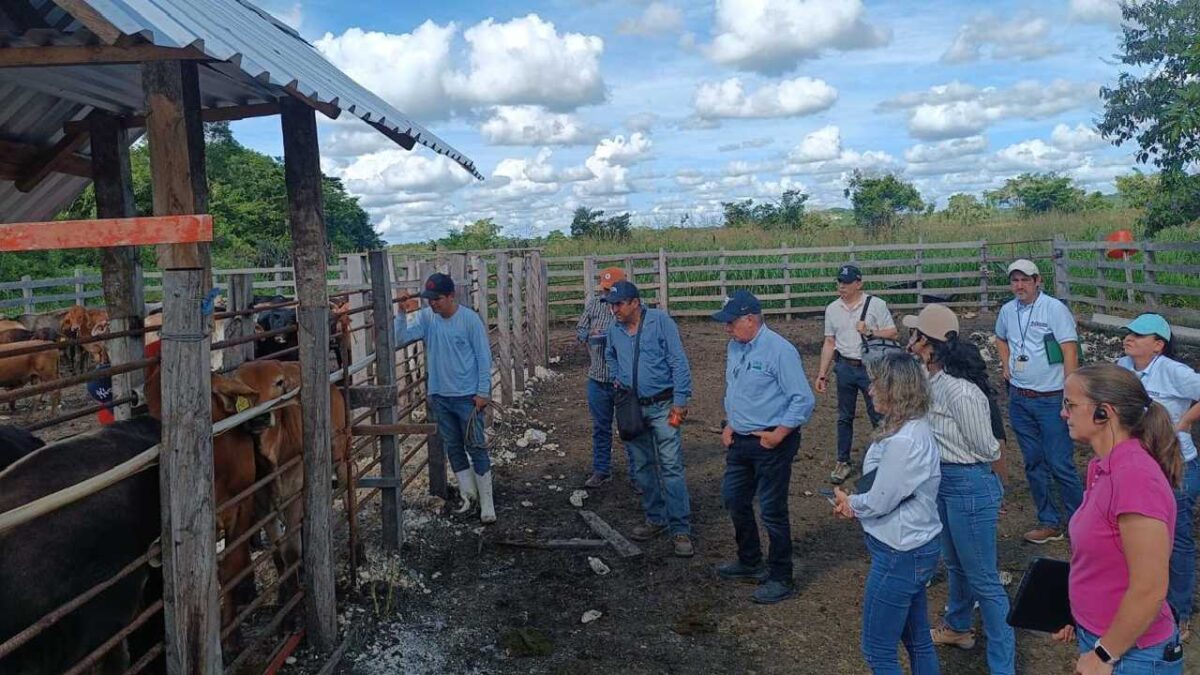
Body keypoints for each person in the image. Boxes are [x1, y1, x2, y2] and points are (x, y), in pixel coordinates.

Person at [904, 304, 1016, 673]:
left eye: (915, 334)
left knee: (984, 579)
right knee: (955, 562)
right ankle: (958, 626)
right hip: (947, 480)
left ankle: (1003, 665)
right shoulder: (929, 379)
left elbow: (987, 447)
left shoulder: (960, 392)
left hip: (967, 481)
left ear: (929, 344)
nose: (910, 339)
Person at [1052, 363, 1184, 674]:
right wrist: (1077, 614)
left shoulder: (1135, 479)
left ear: (1103, 413)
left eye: (1069, 405)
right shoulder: (1102, 468)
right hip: (1105, 639)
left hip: (1132, 655)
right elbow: (1103, 557)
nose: (1063, 414)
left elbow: (1150, 588)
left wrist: (1103, 654)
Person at [832, 351, 942, 675]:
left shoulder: (904, 441)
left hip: (899, 551)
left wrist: (851, 504)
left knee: (877, 650)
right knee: (917, 639)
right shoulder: (912, 427)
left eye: (877, 384)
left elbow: (882, 499)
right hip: (915, 546)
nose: (870, 389)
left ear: (896, 390)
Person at [712, 290, 815, 604]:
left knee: (772, 509)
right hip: (741, 440)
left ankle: (781, 575)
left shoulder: (780, 351)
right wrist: (731, 422)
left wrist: (780, 433)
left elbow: (803, 399)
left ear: (750, 319)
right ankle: (750, 559)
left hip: (771, 441)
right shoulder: (735, 347)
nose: (727, 328)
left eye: (731, 322)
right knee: (734, 499)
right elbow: (738, 388)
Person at [1116, 313, 1200, 640]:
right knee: (1138, 536)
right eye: (1129, 333)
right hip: (1138, 464)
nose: (1129, 338)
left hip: (1174, 464)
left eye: (1139, 335)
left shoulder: (1173, 371)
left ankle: (1179, 611)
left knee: (1176, 540)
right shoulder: (1122, 366)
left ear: (1158, 344)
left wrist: (1185, 421)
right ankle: (1142, 602)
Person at [603, 280, 696, 557]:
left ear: (635, 303)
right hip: (631, 406)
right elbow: (609, 356)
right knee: (642, 465)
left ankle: (680, 527)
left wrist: (680, 401)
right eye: (612, 305)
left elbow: (678, 361)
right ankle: (655, 518)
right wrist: (619, 378)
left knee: (670, 465)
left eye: (619, 304)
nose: (614, 310)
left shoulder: (660, 322)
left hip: (663, 406)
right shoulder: (614, 330)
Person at [994, 258, 1083, 544]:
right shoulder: (1008, 311)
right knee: (1033, 462)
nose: (1019, 285)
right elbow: (1000, 338)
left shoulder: (1054, 309)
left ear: (1037, 281)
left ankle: (1081, 522)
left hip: (1052, 396)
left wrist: (1070, 396)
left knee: (1060, 463)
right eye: (1015, 280)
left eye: (1025, 280)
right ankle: (1049, 521)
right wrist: (1005, 364)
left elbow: (1070, 350)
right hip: (1020, 397)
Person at [395, 272, 496, 524]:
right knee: (454, 447)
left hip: (467, 397)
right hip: (441, 395)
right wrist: (401, 313)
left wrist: (483, 392)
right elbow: (401, 338)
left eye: (437, 298)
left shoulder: (470, 320)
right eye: (430, 299)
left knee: (475, 446)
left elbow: (484, 357)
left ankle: (487, 503)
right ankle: (468, 497)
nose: (433, 303)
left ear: (452, 296)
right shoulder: (428, 318)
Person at [815, 264, 898, 485]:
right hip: (844, 367)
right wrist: (822, 373)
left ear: (858, 283)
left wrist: (871, 332)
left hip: (870, 367)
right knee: (844, 416)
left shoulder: (876, 305)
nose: (842, 286)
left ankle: (886, 458)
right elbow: (829, 342)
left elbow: (892, 332)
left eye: (846, 282)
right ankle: (843, 461)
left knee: (878, 414)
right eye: (840, 282)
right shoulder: (832, 309)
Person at [576, 266, 637, 490]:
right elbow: (580, 329)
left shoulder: (633, 310)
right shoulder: (594, 304)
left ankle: (636, 472)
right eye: (605, 290)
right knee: (601, 427)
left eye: (611, 290)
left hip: (623, 380)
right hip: (598, 376)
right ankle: (601, 469)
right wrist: (587, 335)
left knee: (630, 428)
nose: (607, 295)